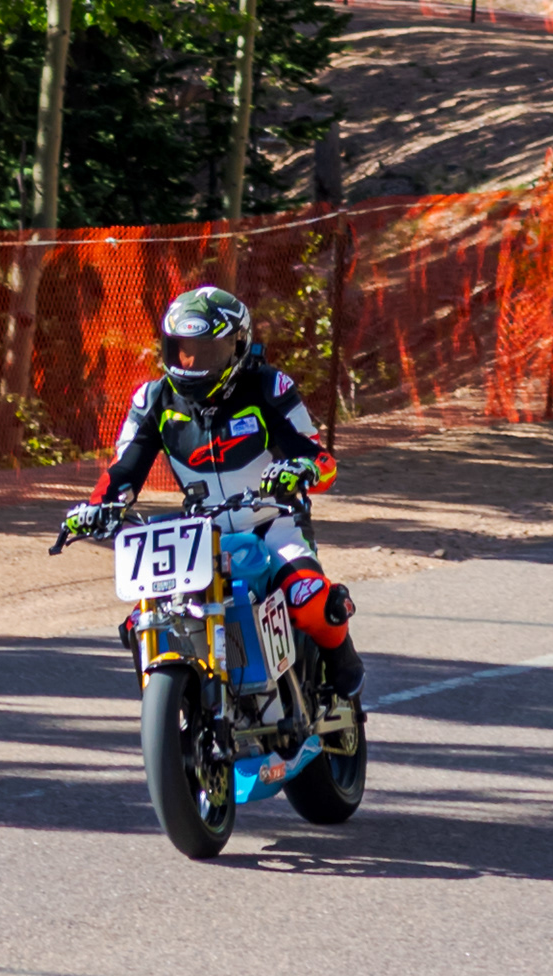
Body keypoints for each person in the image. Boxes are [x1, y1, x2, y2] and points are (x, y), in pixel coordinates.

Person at [61, 281, 363, 702]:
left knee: (309, 599)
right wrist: (96, 508)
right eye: (182, 349)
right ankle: (183, 710)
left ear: (238, 348)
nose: (192, 362)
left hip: (272, 524)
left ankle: (344, 664)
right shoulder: (153, 400)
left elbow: (318, 459)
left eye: (207, 351)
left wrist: (301, 470)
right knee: (142, 622)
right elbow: (123, 469)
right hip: (201, 535)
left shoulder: (267, 387)